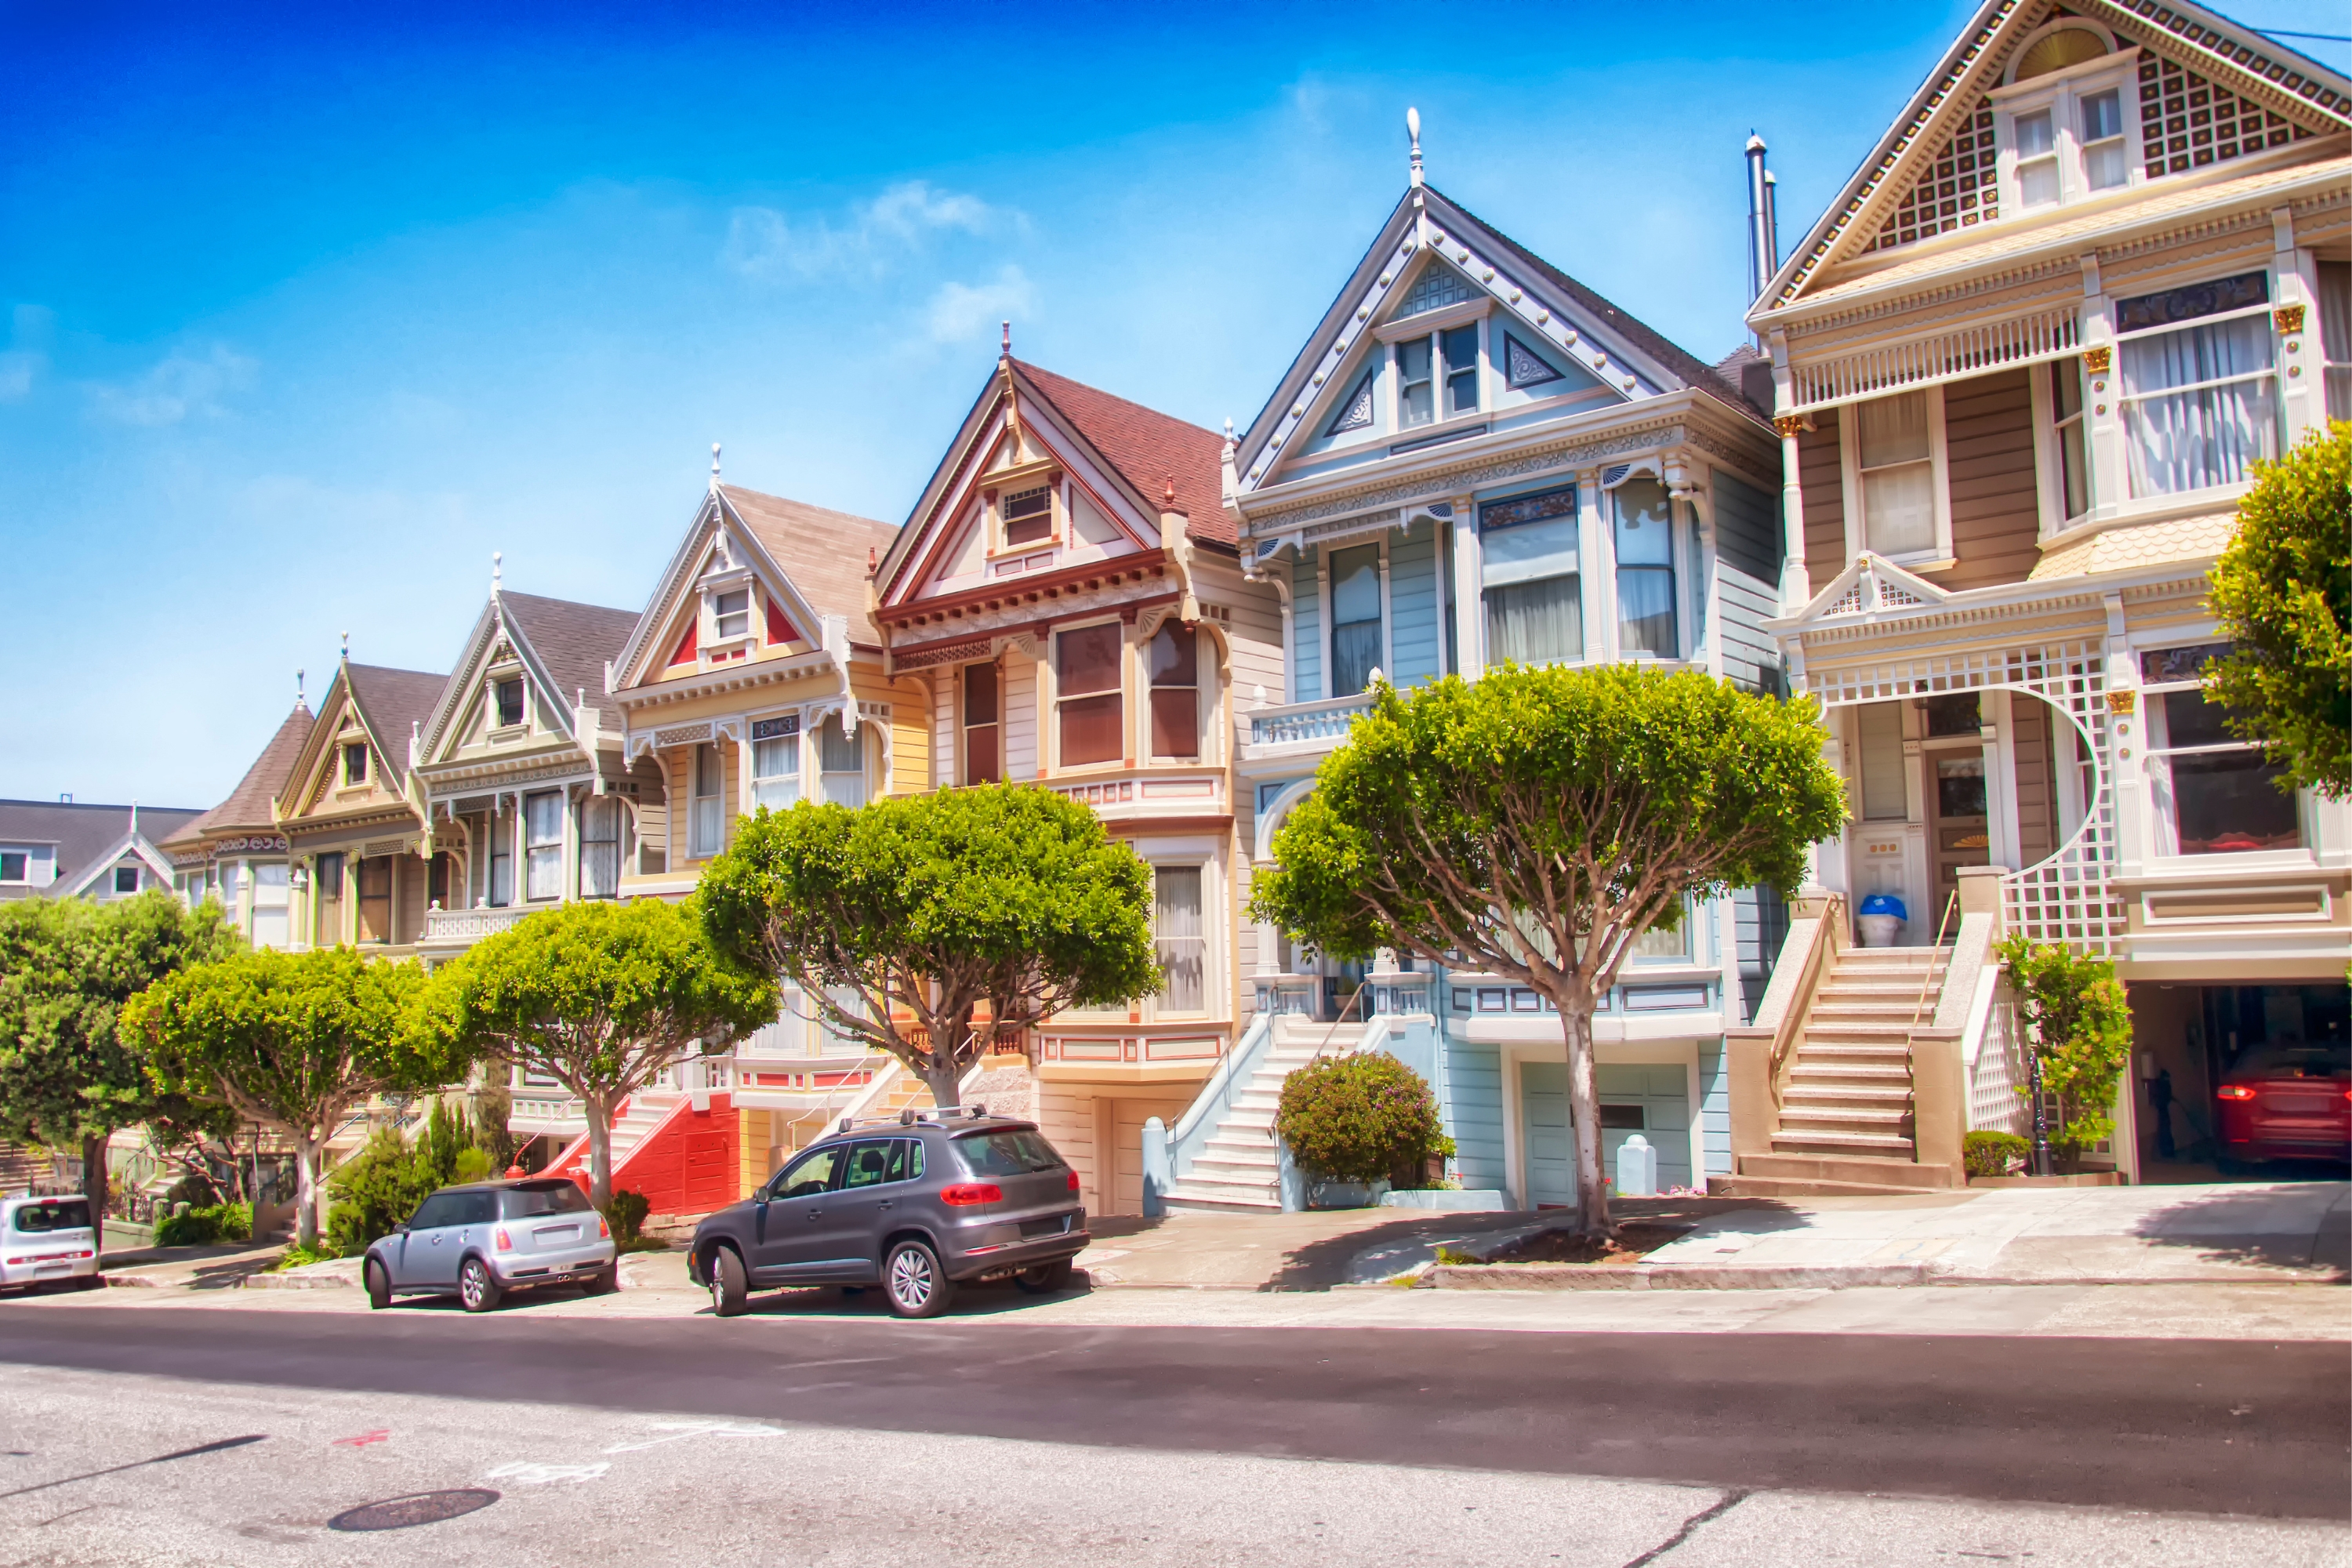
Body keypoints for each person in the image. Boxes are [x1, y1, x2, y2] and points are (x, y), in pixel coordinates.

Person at [2147, 1067, 2177, 1160]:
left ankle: (2167, 1151)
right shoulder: (2163, 1084)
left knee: (2165, 1129)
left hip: (2163, 1109)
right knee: (2165, 1129)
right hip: (2163, 1109)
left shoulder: (2163, 1084)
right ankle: (2167, 1152)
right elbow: (2163, 1097)